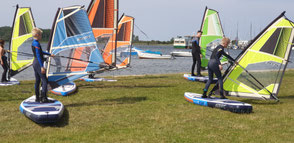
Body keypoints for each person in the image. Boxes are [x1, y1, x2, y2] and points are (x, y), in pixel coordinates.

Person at [31, 28, 54, 103]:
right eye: (41, 35)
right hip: (38, 62)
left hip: (35, 62)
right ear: (37, 35)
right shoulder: (37, 43)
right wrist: (42, 66)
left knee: (38, 80)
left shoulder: (34, 42)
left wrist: (49, 54)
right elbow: (38, 55)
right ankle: (44, 98)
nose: (41, 36)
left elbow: (40, 52)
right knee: (44, 80)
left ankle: (37, 97)